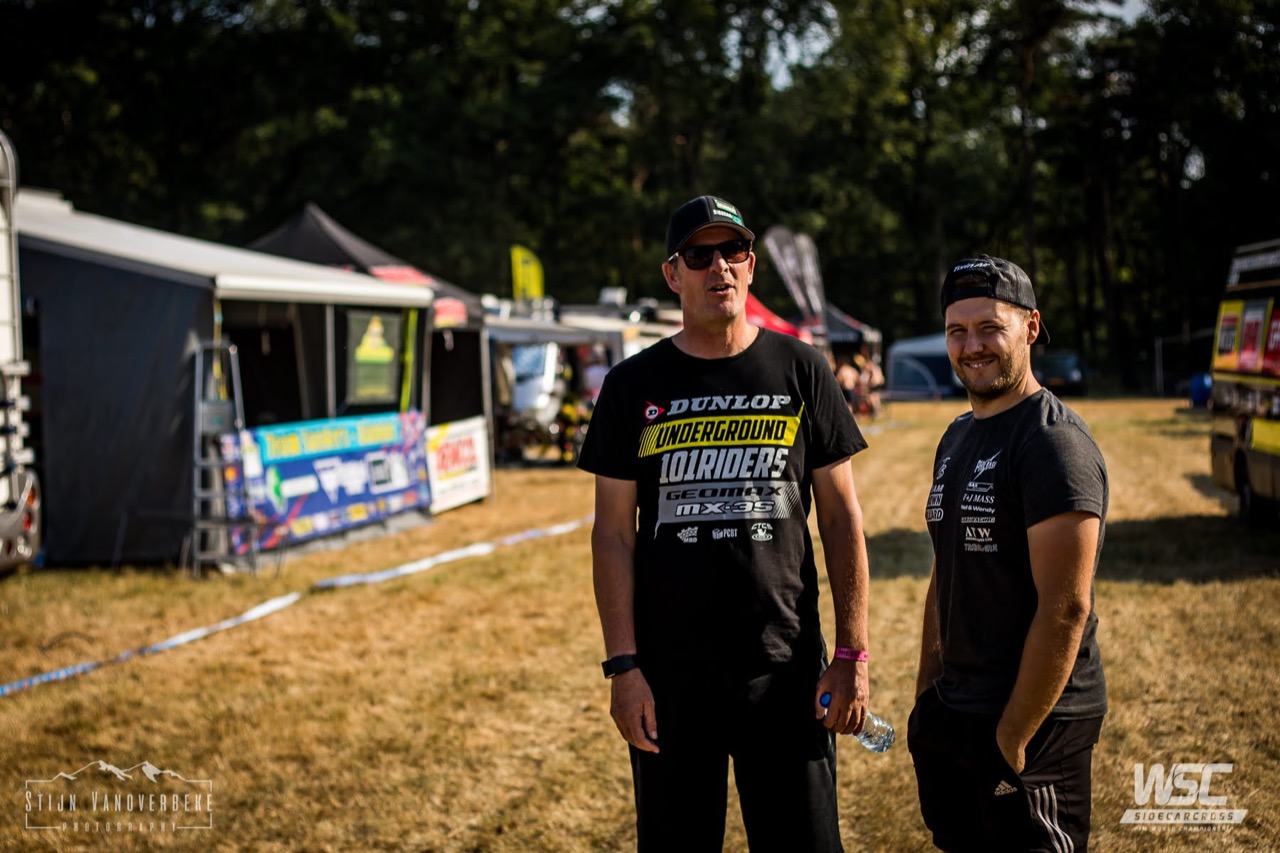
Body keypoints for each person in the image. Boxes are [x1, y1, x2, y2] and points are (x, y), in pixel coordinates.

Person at [578, 195, 874, 852]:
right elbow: (612, 534)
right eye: (699, 254)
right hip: (670, 678)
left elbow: (840, 517)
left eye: (733, 250)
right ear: (672, 274)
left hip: (785, 668)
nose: (720, 267)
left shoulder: (802, 368)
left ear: (751, 264)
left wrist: (852, 652)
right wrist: (624, 668)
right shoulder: (631, 385)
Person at [908, 255, 1108, 852]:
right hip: (955, 712)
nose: (972, 346)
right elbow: (945, 572)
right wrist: (926, 699)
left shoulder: (1053, 443)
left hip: (1034, 726)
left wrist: (1011, 739)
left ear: (1031, 327)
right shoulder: (957, 435)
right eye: (957, 331)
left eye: (990, 327)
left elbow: (1065, 609)